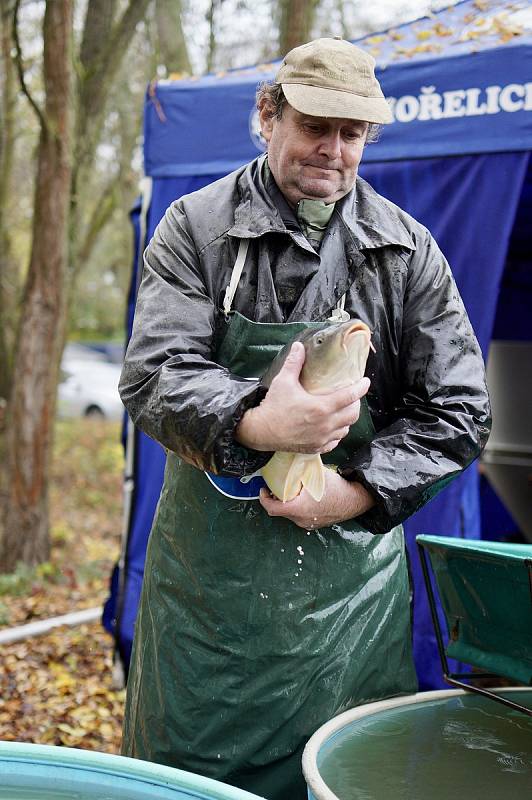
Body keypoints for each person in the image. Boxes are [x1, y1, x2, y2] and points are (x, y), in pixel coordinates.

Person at [119, 38, 490, 800]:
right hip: (207, 605)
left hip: (349, 606)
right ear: (268, 114)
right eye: (315, 123)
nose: (332, 148)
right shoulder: (195, 229)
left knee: (342, 777)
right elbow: (155, 374)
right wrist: (259, 425)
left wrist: (350, 495)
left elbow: (457, 412)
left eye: (351, 133)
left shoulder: (406, 251)